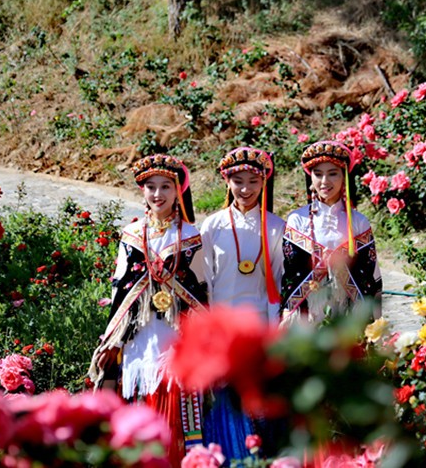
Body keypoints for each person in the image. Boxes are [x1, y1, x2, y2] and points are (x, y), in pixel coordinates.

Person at [89, 153, 207, 466]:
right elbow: (119, 287)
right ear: (142, 191)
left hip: (174, 331)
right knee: (136, 388)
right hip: (138, 331)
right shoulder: (131, 234)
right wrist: (114, 337)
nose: (158, 194)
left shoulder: (191, 236)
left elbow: (200, 291)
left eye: (166, 186)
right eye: (151, 186)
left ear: (178, 190)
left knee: (174, 393)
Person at [199, 146, 285, 461]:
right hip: (221, 330)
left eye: (253, 181)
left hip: (259, 329)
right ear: (227, 182)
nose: (245, 189)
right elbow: (203, 282)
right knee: (223, 400)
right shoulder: (212, 226)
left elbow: (279, 285)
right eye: (238, 180)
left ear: (264, 183)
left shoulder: (277, 228)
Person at [281, 141, 382, 325]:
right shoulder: (297, 220)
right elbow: (289, 273)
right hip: (307, 316)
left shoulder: (358, 222)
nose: (325, 181)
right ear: (310, 177)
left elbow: (370, 274)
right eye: (318, 174)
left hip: (348, 316)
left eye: (333, 174)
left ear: (344, 177)